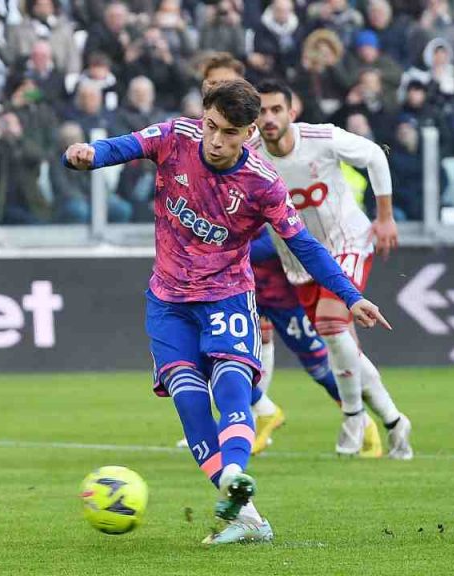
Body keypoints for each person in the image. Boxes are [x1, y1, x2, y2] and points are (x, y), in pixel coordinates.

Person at [63, 79, 391, 544]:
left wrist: (351, 295)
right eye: (211, 126)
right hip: (169, 301)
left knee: (232, 383)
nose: (216, 141)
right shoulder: (176, 136)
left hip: (227, 295)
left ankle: (235, 474)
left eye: (230, 133)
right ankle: (247, 514)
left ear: (249, 131)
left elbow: (306, 246)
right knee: (188, 397)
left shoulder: (263, 183)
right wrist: (86, 155)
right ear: (203, 116)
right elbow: (124, 146)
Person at [197, 54, 362, 457]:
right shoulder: (209, 141)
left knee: (314, 353)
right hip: (243, 271)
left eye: (224, 84)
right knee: (233, 343)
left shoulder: (256, 150)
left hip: (278, 268)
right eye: (209, 87)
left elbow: (283, 227)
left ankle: (360, 416)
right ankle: (255, 411)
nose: (216, 92)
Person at [252, 78, 412, 460]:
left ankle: (354, 417)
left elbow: (374, 155)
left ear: (293, 111)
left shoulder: (321, 137)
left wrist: (385, 216)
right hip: (300, 262)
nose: (269, 118)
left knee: (330, 323)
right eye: (261, 111)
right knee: (342, 345)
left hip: (346, 243)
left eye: (277, 109)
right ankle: (393, 421)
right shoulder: (251, 154)